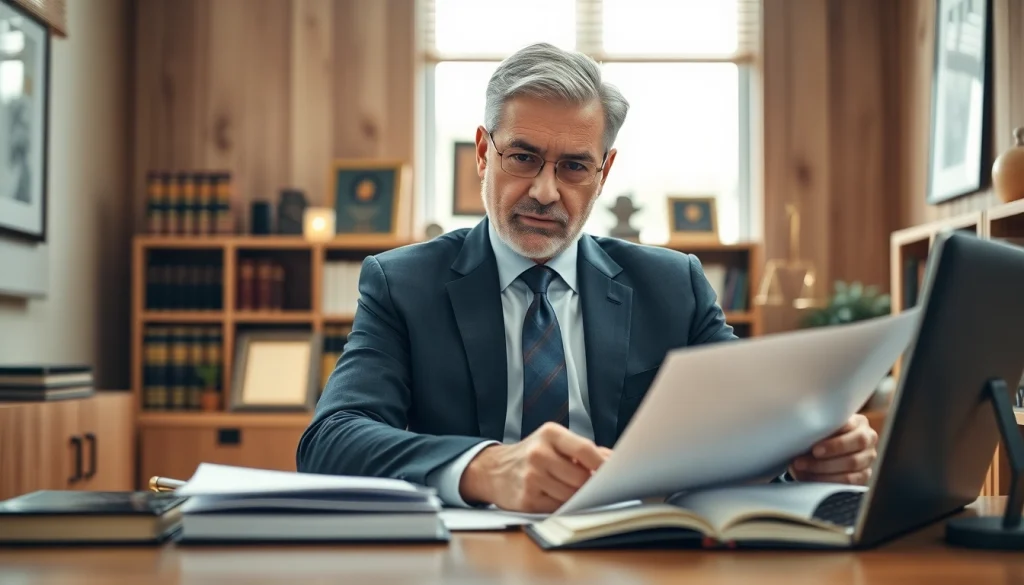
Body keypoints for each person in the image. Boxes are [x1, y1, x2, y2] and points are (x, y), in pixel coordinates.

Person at [296, 43, 878, 513]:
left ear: (604, 173)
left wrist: (805, 452)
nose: (546, 191)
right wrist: (484, 467)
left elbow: (746, 424)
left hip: (639, 561)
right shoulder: (403, 283)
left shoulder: (674, 286)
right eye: (522, 157)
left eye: (574, 166)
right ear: (483, 153)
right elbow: (331, 439)